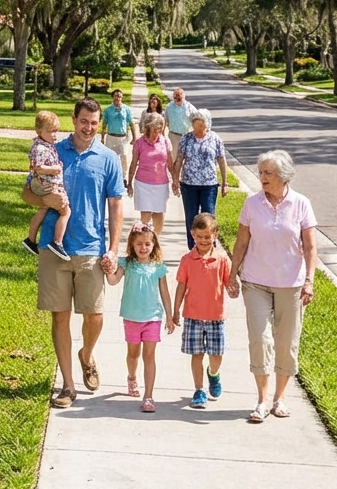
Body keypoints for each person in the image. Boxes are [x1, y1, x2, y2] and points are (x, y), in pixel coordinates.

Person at [21, 97, 124, 409]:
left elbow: (116, 205)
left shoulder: (108, 158)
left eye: (94, 123)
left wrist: (114, 249)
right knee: (60, 316)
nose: (88, 128)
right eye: (83, 122)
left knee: (94, 315)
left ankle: (87, 355)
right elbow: (27, 193)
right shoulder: (53, 151)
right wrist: (45, 201)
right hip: (54, 248)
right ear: (73, 119)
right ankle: (68, 385)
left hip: (91, 247)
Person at [227, 150, 318, 423]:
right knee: (260, 340)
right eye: (261, 172)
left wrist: (309, 281)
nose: (262, 177)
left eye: (268, 173)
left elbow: (310, 247)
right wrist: (232, 274)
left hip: (291, 284)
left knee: (286, 342)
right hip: (255, 282)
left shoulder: (301, 204)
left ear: (283, 176)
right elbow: (242, 242)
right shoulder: (252, 204)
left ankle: (280, 398)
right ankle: (262, 400)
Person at [105, 221, 174, 412]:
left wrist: (169, 316)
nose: (143, 248)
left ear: (154, 245)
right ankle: (132, 377)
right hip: (131, 317)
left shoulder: (158, 266)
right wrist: (108, 270)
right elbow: (113, 281)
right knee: (133, 354)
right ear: (132, 245)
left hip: (153, 318)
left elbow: (165, 293)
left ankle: (148, 396)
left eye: (147, 244)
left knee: (149, 356)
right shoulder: (127, 263)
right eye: (139, 244)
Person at [173, 212, 233, 409]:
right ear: (192, 234)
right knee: (196, 354)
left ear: (215, 234)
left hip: (216, 316)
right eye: (199, 236)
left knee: (216, 355)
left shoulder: (222, 260)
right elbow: (181, 285)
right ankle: (199, 390)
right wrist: (175, 310)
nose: (204, 240)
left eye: (207, 236)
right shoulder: (187, 260)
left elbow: (229, 283)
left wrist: (234, 289)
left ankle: (213, 374)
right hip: (193, 316)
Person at [171, 108, 228, 250]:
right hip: (189, 184)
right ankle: (193, 249)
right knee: (191, 218)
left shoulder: (215, 139)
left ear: (207, 124)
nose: (198, 127)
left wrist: (225, 182)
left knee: (209, 216)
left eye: (201, 124)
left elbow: (221, 160)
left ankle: (210, 248)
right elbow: (179, 159)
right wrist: (175, 180)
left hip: (209, 184)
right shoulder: (186, 138)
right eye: (195, 123)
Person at [22, 111, 71, 260]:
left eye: (56, 131)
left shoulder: (44, 145)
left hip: (45, 184)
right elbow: (38, 167)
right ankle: (57, 242)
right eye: (50, 132)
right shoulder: (41, 148)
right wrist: (54, 169)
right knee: (66, 212)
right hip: (48, 185)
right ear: (39, 131)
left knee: (42, 210)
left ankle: (30, 239)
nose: (54, 135)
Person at [126, 113, 171, 234]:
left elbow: (170, 163)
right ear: (148, 128)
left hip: (161, 183)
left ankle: (156, 239)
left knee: (159, 212)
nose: (157, 132)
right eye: (155, 129)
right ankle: (144, 239)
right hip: (143, 183)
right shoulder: (139, 143)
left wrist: (175, 181)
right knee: (145, 214)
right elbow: (133, 163)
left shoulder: (165, 141)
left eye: (160, 129)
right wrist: (129, 183)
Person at [100, 88, 138, 171]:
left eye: (120, 96)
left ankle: (124, 175)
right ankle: (110, 172)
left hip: (123, 137)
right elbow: (104, 125)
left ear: (122, 98)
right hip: (111, 137)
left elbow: (131, 123)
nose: (118, 98)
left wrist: (134, 137)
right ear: (112, 97)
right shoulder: (108, 110)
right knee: (110, 156)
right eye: (116, 96)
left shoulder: (127, 109)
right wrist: (102, 138)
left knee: (124, 155)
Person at [164, 87, 197, 161]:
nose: (177, 98)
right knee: (174, 158)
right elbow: (165, 120)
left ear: (183, 96)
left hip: (187, 135)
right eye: (175, 96)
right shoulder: (169, 107)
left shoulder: (189, 107)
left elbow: (197, 119)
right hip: (173, 135)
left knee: (188, 158)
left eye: (179, 96)